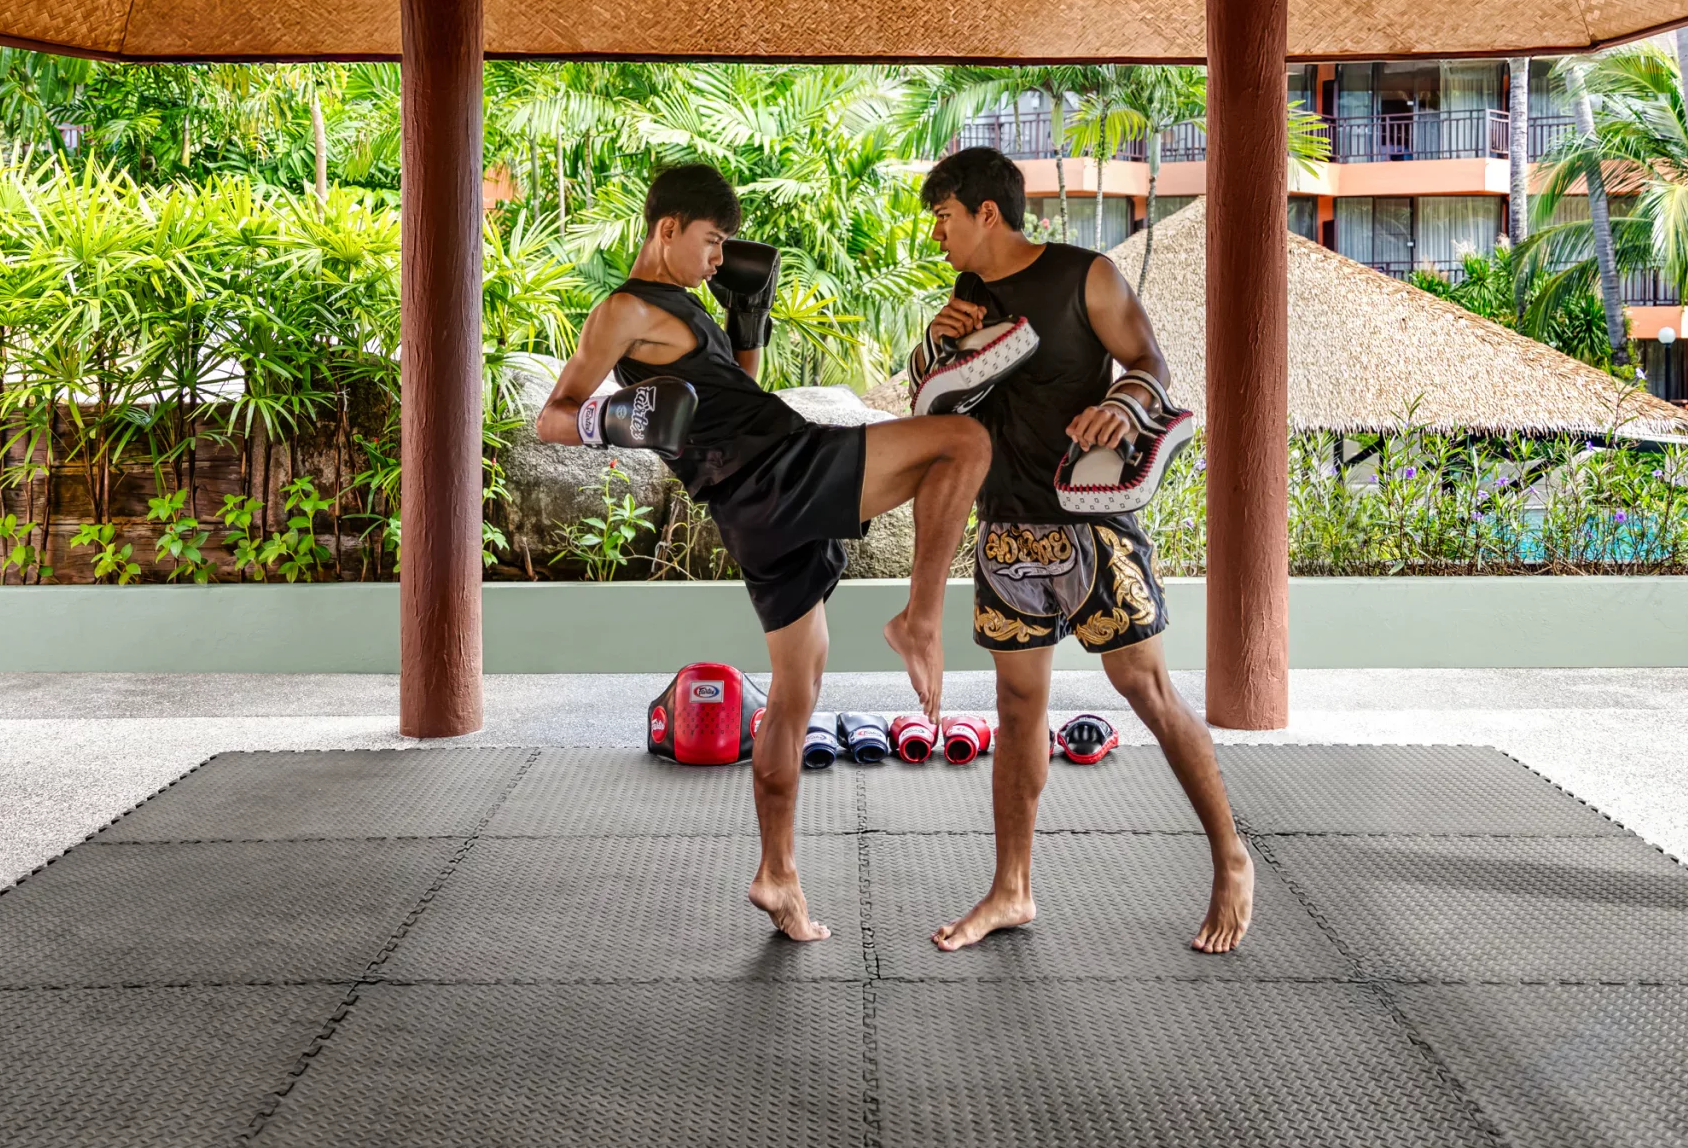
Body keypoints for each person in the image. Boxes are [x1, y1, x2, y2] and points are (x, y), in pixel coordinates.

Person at [537, 163, 989, 942]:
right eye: (710, 242)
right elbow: (554, 415)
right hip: (782, 471)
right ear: (666, 229)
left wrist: (748, 327)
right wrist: (613, 421)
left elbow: (733, 401)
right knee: (964, 441)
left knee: (795, 689)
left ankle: (777, 875)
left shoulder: (687, 308)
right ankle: (920, 618)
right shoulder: (622, 307)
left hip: (752, 505)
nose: (719, 258)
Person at [912, 147, 1254, 955]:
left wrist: (1121, 407)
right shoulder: (967, 295)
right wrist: (934, 345)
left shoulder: (1084, 275)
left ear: (985, 212)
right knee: (1018, 707)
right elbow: (939, 404)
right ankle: (1011, 889)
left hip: (1092, 521)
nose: (938, 236)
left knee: (1148, 690)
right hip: (1007, 525)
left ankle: (1231, 855)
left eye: (945, 218)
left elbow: (1150, 363)